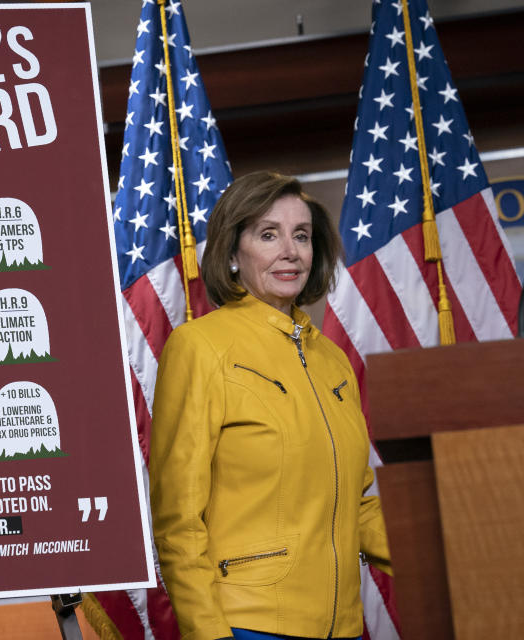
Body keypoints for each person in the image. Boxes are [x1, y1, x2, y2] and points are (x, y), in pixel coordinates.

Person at [149, 171, 392, 640]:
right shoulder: (199, 347)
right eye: (268, 234)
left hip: (342, 627)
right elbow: (179, 522)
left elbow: (359, 505)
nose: (290, 251)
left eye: (301, 236)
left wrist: (453, 553)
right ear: (233, 253)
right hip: (249, 624)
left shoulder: (332, 360)